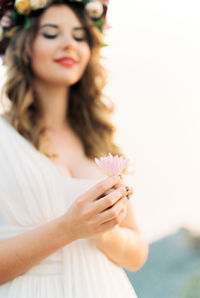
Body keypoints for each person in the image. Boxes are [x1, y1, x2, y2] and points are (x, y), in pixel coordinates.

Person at [0, 0, 148, 297]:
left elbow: (136, 253)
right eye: (52, 34)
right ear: (23, 45)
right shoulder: (4, 138)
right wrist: (68, 229)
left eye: (80, 36)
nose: (69, 44)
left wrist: (104, 232)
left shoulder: (98, 138)